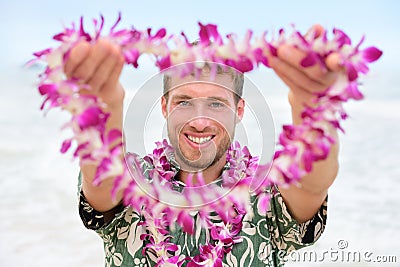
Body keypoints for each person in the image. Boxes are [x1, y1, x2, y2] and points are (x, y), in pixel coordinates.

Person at [65, 25, 341, 266]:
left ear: (239, 110)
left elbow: (311, 183)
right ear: (165, 107)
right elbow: (100, 175)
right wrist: (104, 103)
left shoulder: (266, 189)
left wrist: (311, 107)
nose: (199, 121)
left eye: (216, 104)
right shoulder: (135, 180)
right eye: (184, 102)